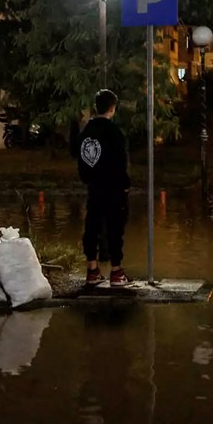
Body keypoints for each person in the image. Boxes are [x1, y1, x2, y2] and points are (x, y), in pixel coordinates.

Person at [78, 89, 131, 287]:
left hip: (93, 188)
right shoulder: (114, 133)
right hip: (113, 189)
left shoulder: (86, 133)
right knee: (115, 229)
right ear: (112, 108)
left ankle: (92, 270)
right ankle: (116, 272)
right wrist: (125, 186)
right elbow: (120, 164)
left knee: (92, 226)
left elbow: (80, 158)